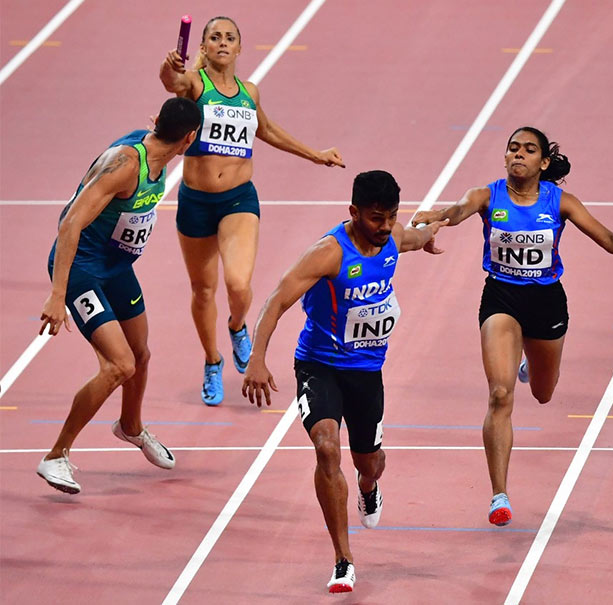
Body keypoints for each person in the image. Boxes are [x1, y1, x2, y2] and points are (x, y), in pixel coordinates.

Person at [412, 127, 613, 527]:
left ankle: (530, 366)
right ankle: (498, 495)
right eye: (513, 148)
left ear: (544, 162)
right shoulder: (487, 196)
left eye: (529, 150)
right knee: (500, 395)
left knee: (542, 393)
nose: (518, 154)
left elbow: (605, 237)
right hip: (501, 297)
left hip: (546, 302)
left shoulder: (561, 202)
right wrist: (436, 219)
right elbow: (457, 210)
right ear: (505, 158)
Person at [241, 171, 447, 593]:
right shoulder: (328, 253)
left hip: (367, 373)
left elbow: (413, 237)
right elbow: (277, 299)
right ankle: (343, 559)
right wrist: (257, 358)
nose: (385, 226)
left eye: (391, 216)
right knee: (326, 447)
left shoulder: (391, 238)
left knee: (368, 464)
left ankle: (368, 488)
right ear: (353, 212)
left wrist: (429, 233)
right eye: (376, 218)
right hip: (320, 366)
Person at [159, 16, 345, 406]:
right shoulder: (196, 84)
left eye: (229, 38)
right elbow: (171, 82)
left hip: (238, 199)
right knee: (203, 289)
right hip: (195, 201)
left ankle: (237, 325)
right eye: (214, 38)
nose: (222, 42)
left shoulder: (250, 92)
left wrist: (316, 155)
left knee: (239, 285)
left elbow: (268, 130)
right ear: (204, 48)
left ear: (240, 48)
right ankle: (212, 360)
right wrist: (170, 65)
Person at [36, 97, 202, 494]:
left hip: (116, 268)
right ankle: (55, 456)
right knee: (119, 365)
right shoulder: (127, 165)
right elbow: (70, 224)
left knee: (141, 354)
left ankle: (130, 426)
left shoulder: (158, 153)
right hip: (81, 270)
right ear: (189, 139)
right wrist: (57, 295)